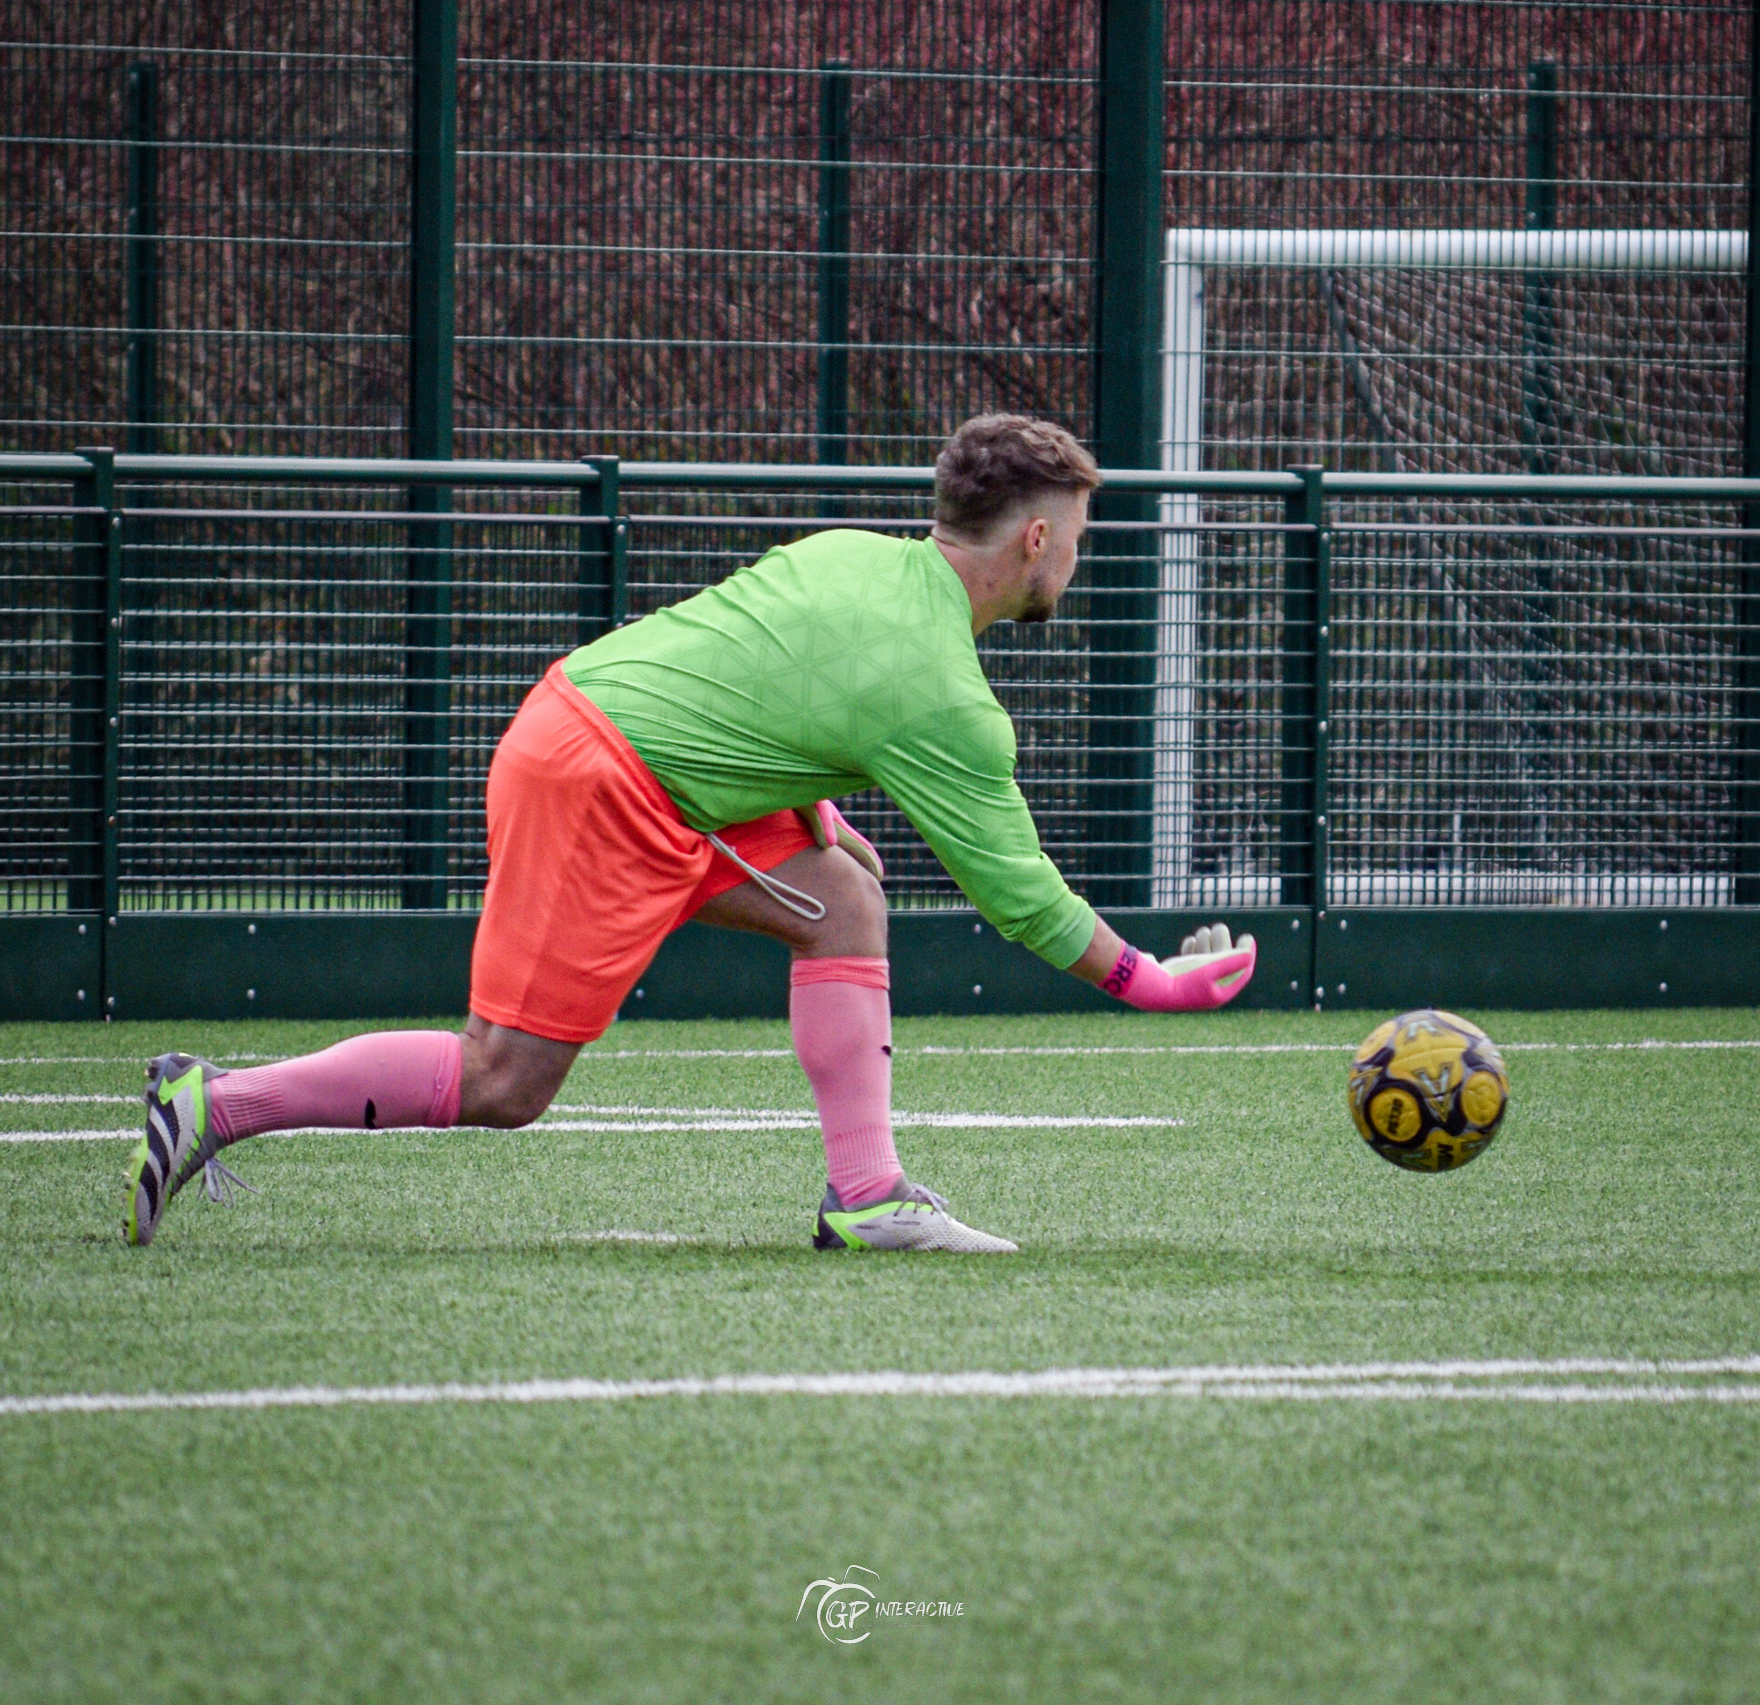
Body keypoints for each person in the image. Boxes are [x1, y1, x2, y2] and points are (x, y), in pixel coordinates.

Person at [125, 413, 1254, 1253]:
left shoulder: (854, 552)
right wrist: (1153, 981)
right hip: (599, 782)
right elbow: (1018, 896)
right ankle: (214, 1104)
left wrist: (813, 812)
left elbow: (753, 670)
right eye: (1080, 537)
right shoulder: (944, 696)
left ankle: (865, 1198)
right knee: (504, 1080)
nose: (1077, 558)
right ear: (1038, 537)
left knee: (847, 900)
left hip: (620, 745)